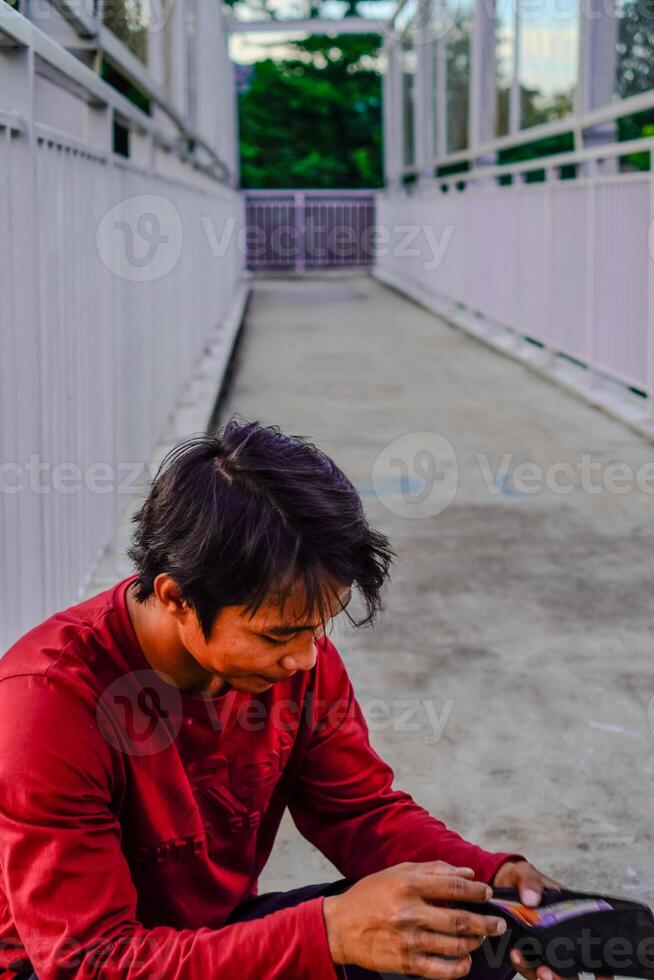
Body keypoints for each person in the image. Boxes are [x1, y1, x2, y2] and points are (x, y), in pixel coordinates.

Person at [0, 419, 593, 979]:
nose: (305, 659)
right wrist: (326, 934)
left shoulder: (293, 663)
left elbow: (358, 810)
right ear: (176, 598)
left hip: (212, 938)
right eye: (278, 634)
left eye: (318, 628)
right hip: (73, 966)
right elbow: (89, 963)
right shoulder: (47, 708)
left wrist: (493, 883)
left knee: (464, 937)